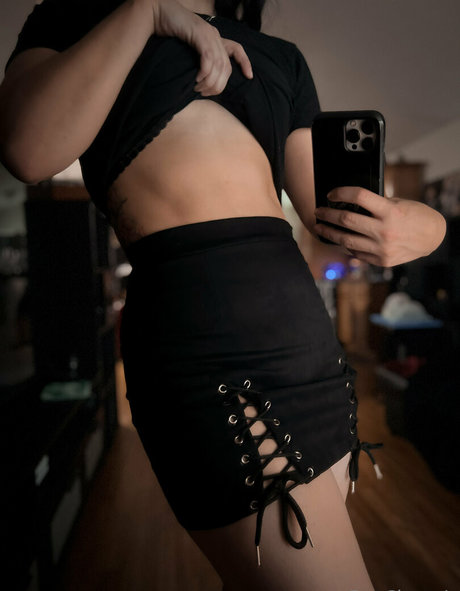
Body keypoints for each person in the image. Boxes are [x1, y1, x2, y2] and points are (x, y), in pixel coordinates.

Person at [0, 0, 446, 589]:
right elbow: (27, 149)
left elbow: (333, 220)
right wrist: (146, 12)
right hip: (208, 347)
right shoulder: (77, 16)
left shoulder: (283, 59)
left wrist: (428, 228)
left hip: (311, 354)